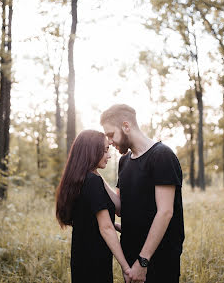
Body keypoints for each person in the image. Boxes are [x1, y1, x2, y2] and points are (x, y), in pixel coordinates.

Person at [100, 104, 185, 283]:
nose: (109, 141)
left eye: (110, 134)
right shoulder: (124, 162)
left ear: (126, 126)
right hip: (131, 258)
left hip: (159, 258)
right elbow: (121, 209)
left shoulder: (161, 156)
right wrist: (96, 176)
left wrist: (143, 262)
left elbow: (165, 212)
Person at [55, 130, 132, 283]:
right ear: (92, 152)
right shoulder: (92, 182)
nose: (109, 155)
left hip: (81, 257)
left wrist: (97, 173)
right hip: (94, 260)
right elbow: (106, 228)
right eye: (105, 151)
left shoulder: (84, 179)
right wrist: (126, 268)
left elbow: (118, 208)